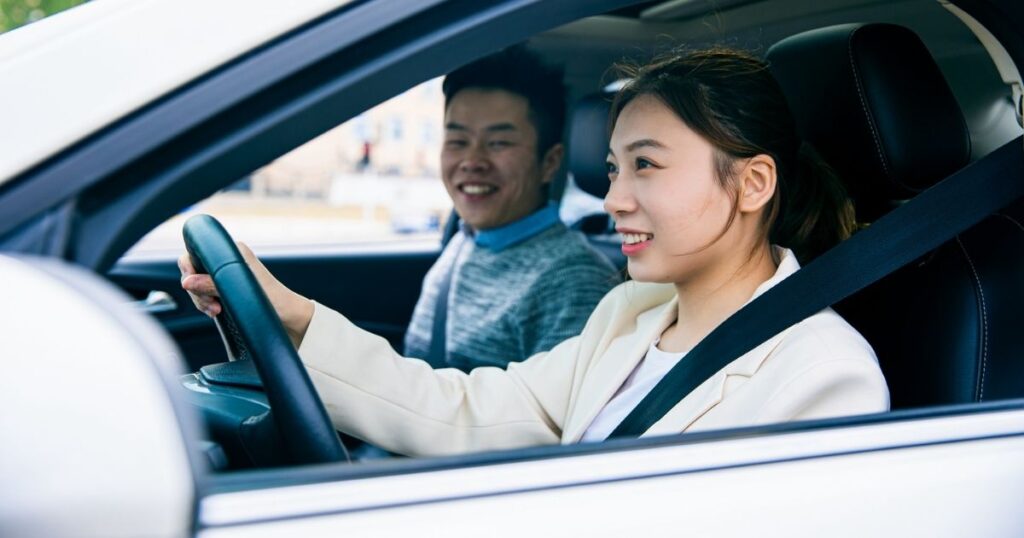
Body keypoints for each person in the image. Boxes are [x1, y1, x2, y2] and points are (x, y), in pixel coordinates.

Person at [181, 47, 889, 457]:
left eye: (647, 165)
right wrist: (298, 317)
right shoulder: (629, 314)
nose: (613, 199)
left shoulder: (825, 376)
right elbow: (463, 408)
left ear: (752, 182)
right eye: (613, 169)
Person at [402, 46, 620, 370]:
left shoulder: (574, 282)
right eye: (458, 141)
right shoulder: (468, 238)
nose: (472, 161)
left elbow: (552, 419)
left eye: (499, 143)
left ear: (549, 163)